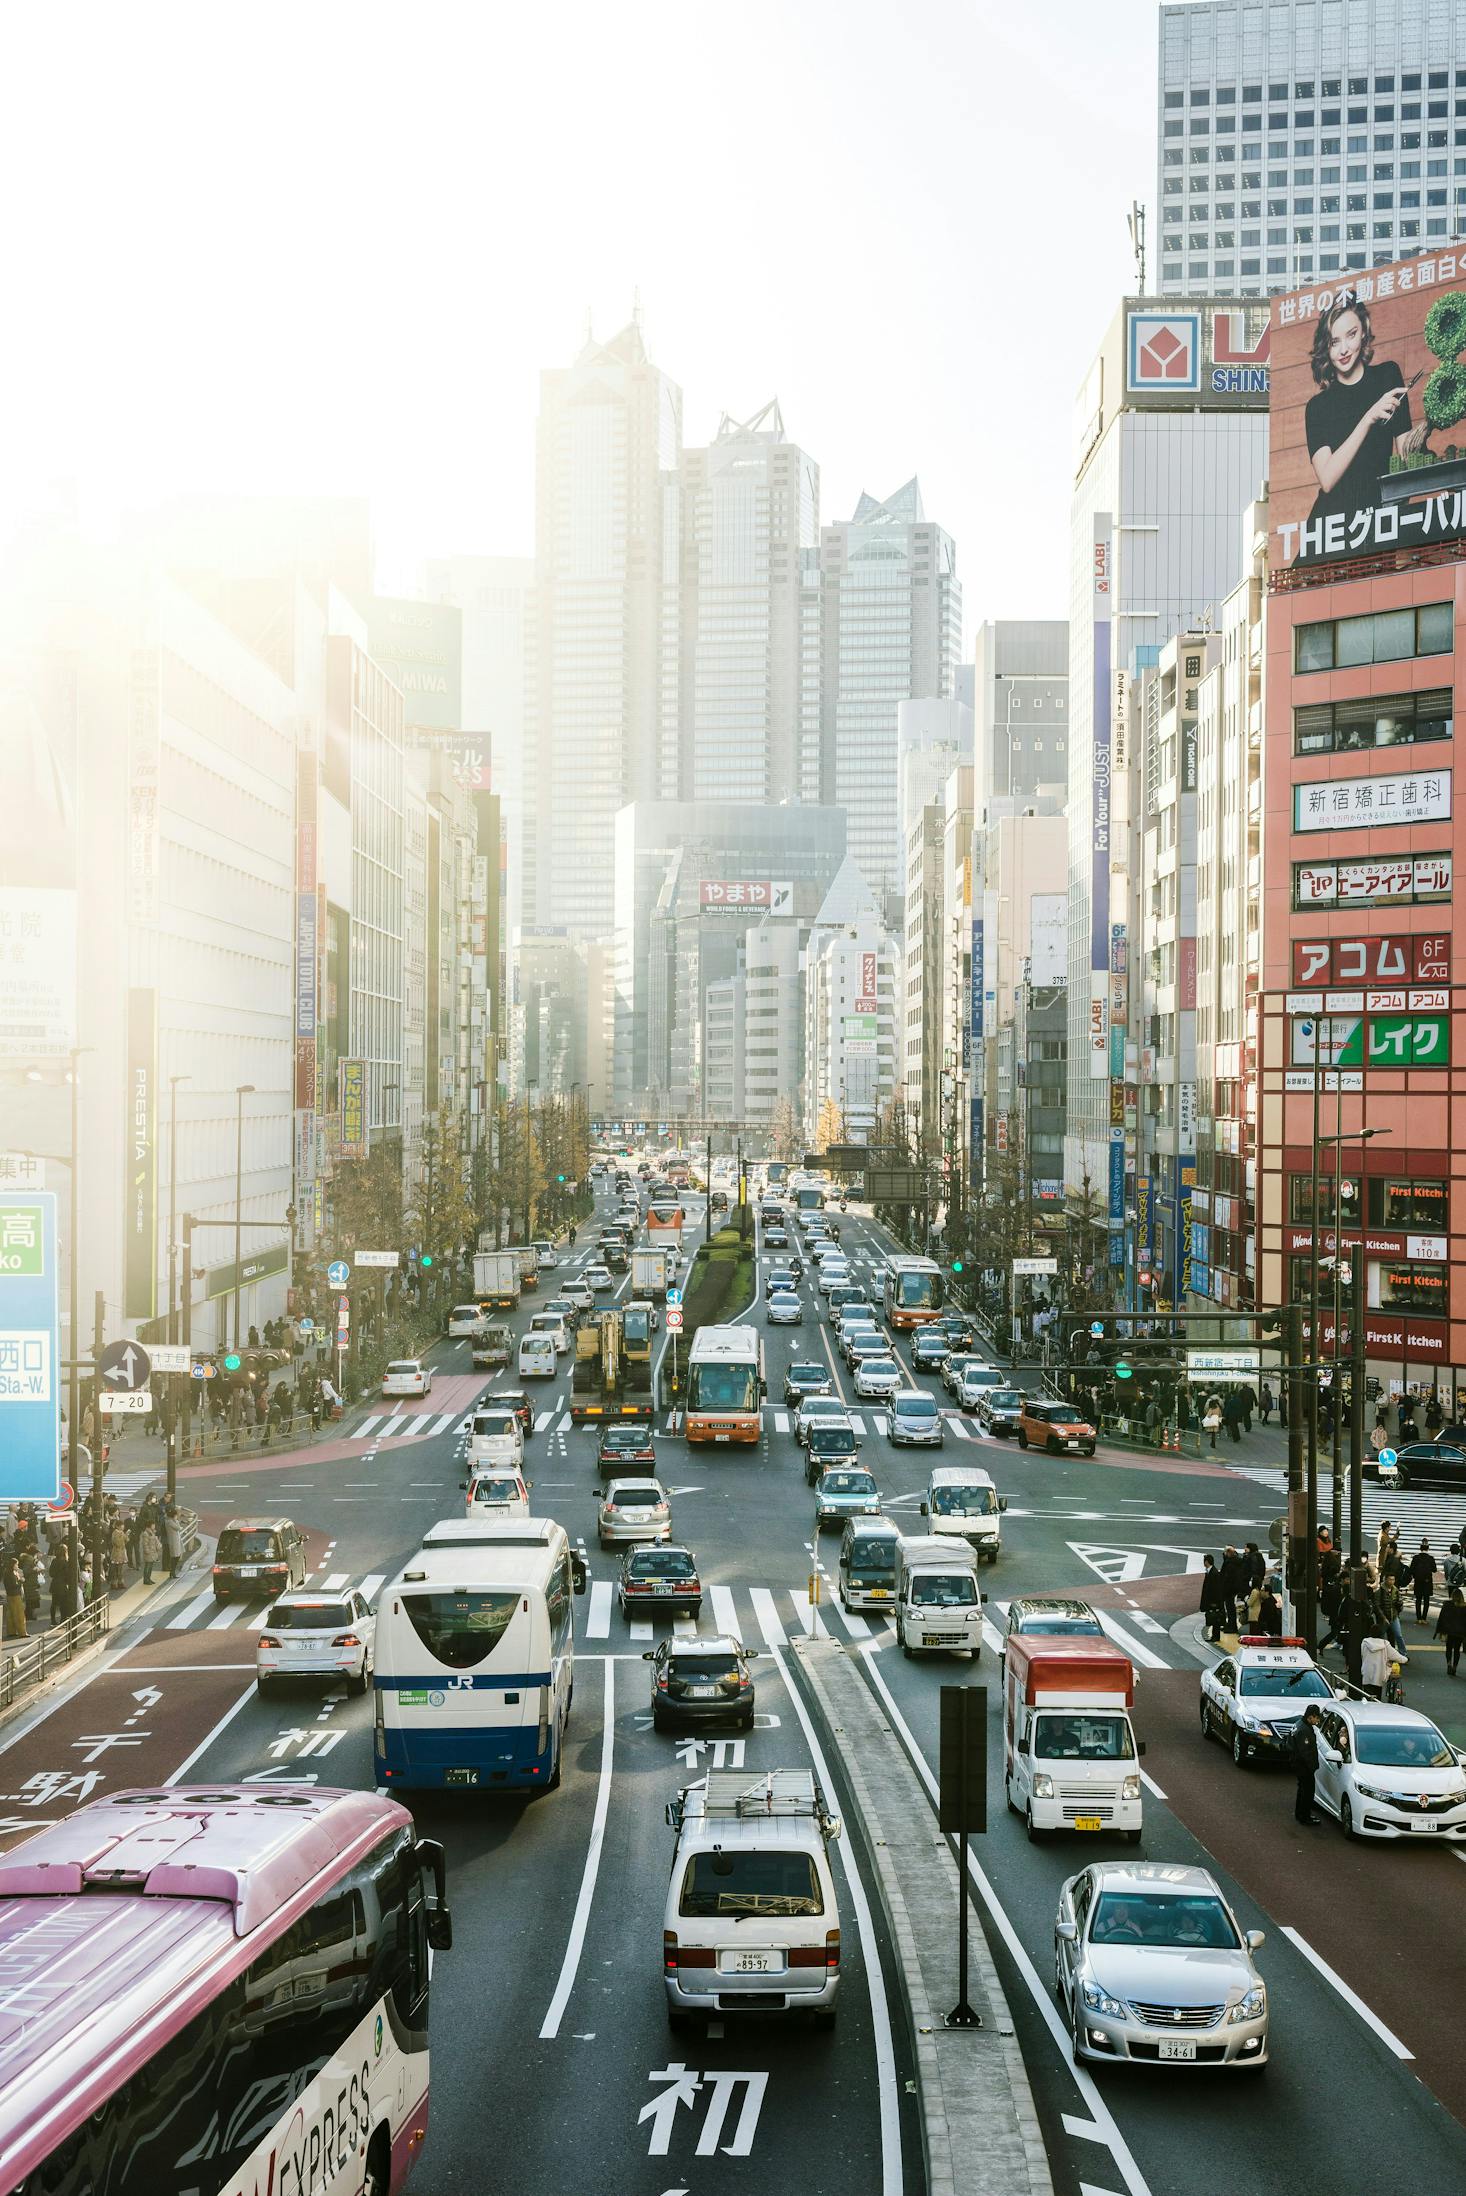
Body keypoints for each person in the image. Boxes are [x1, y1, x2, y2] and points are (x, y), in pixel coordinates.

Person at [1298, 298, 1426, 564]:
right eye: (1334, 342)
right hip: (1328, 528)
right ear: (1326, 348)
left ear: (1364, 333)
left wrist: (1431, 424)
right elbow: (1328, 478)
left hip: (1376, 521)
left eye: (1351, 335)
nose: (1344, 349)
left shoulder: (1387, 376)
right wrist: (1368, 418)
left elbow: (1405, 458)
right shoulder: (1318, 406)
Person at [1292, 1705, 1324, 1826]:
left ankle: (1299, 1813)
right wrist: (1312, 1767)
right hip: (1303, 1766)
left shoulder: (1300, 1724)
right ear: (1310, 1717)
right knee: (1308, 1791)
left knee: (1302, 1789)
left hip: (1298, 1764)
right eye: (1316, 1718)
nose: (1317, 1721)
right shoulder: (1305, 1730)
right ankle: (1305, 1816)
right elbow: (1305, 1752)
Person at [1434, 1589, 1466, 1676]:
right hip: (1460, 1632)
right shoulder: (1464, 1606)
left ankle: (1449, 1664)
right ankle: (1455, 1667)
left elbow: (1442, 1618)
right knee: (1457, 1650)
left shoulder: (1447, 1604)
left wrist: (1439, 1630)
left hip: (1449, 1631)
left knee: (1449, 1648)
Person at [1360, 1627, 1397, 1700]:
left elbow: (1362, 1654)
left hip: (1367, 1672)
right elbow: (1396, 1656)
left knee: (1367, 1695)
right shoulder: (1385, 1644)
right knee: (1377, 1697)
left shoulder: (1365, 1642)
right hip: (1379, 1674)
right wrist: (1405, 1659)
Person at [1199, 1553, 1227, 1644]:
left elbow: (1216, 1589)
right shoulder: (1211, 1572)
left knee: (1215, 1619)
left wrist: (1215, 1602)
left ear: (1206, 1562)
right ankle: (1215, 1636)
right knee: (1215, 1619)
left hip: (1213, 1601)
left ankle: (1215, 1636)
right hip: (1212, 1600)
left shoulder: (1213, 1573)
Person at [1409, 1539, 1438, 1623]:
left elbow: (1411, 1570)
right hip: (1427, 1581)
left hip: (1418, 1581)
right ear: (1428, 1549)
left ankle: (1418, 1618)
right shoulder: (1431, 1558)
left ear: (1420, 1549)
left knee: (1418, 1599)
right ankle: (1424, 1618)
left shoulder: (1416, 1558)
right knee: (1426, 1600)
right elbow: (1434, 1570)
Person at [139, 1520, 161, 1586]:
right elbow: (145, 1544)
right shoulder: (146, 1533)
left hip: (153, 1551)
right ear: (149, 1525)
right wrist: (147, 1551)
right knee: (147, 1566)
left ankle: (149, 1578)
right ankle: (146, 1579)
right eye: (153, 1525)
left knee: (150, 1566)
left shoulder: (152, 1532)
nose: (154, 1526)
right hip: (149, 1552)